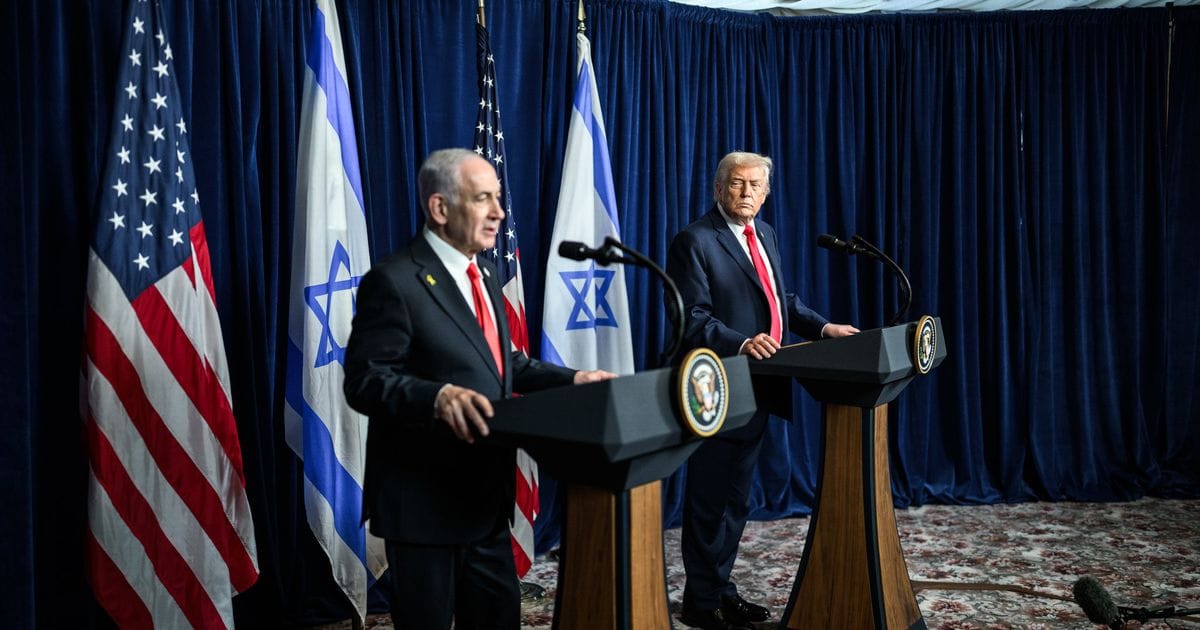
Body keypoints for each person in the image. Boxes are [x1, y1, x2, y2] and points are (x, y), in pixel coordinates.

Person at [343, 148, 614, 630]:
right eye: (482, 199)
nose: (499, 212)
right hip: (423, 506)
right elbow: (365, 381)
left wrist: (573, 379)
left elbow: (504, 363)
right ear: (440, 207)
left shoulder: (484, 272)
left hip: (485, 497)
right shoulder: (395, 280)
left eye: (498, 198)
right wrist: (436, 397)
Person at [666, 151, 859, 630]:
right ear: (719, 188)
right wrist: (741, 342)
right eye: (737, 183)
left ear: (767, 192)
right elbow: (692, 318)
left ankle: (720, 590)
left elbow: (779, 298)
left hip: (762, 383)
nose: (747, 192)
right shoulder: (695, 240)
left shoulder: (765, 233)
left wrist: (823, 328)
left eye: (755, 185)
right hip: (719, 385)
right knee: (711, 498)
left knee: (737, 499)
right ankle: (700, 602)